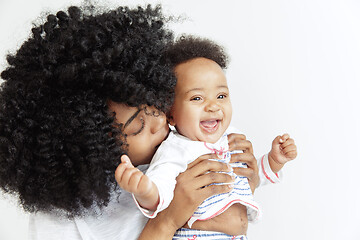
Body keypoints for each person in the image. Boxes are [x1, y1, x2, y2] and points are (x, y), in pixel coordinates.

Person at [0, 4, 260, 240]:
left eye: (157, 105)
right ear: (93, 145)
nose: (160, 122)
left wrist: (245, 180)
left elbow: (234, 223)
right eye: (138, 127)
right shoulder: (61, 216)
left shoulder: (175, 155)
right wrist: (166, 222)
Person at [116, 36, 297, 239]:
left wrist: (274, 160)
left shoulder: (232, 138)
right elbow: (161, 190)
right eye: (197, 98)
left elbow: (253, 178)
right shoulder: (175, 149)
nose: (213, 106)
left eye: (221, 96)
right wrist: (145, 191)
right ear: (171, 114)